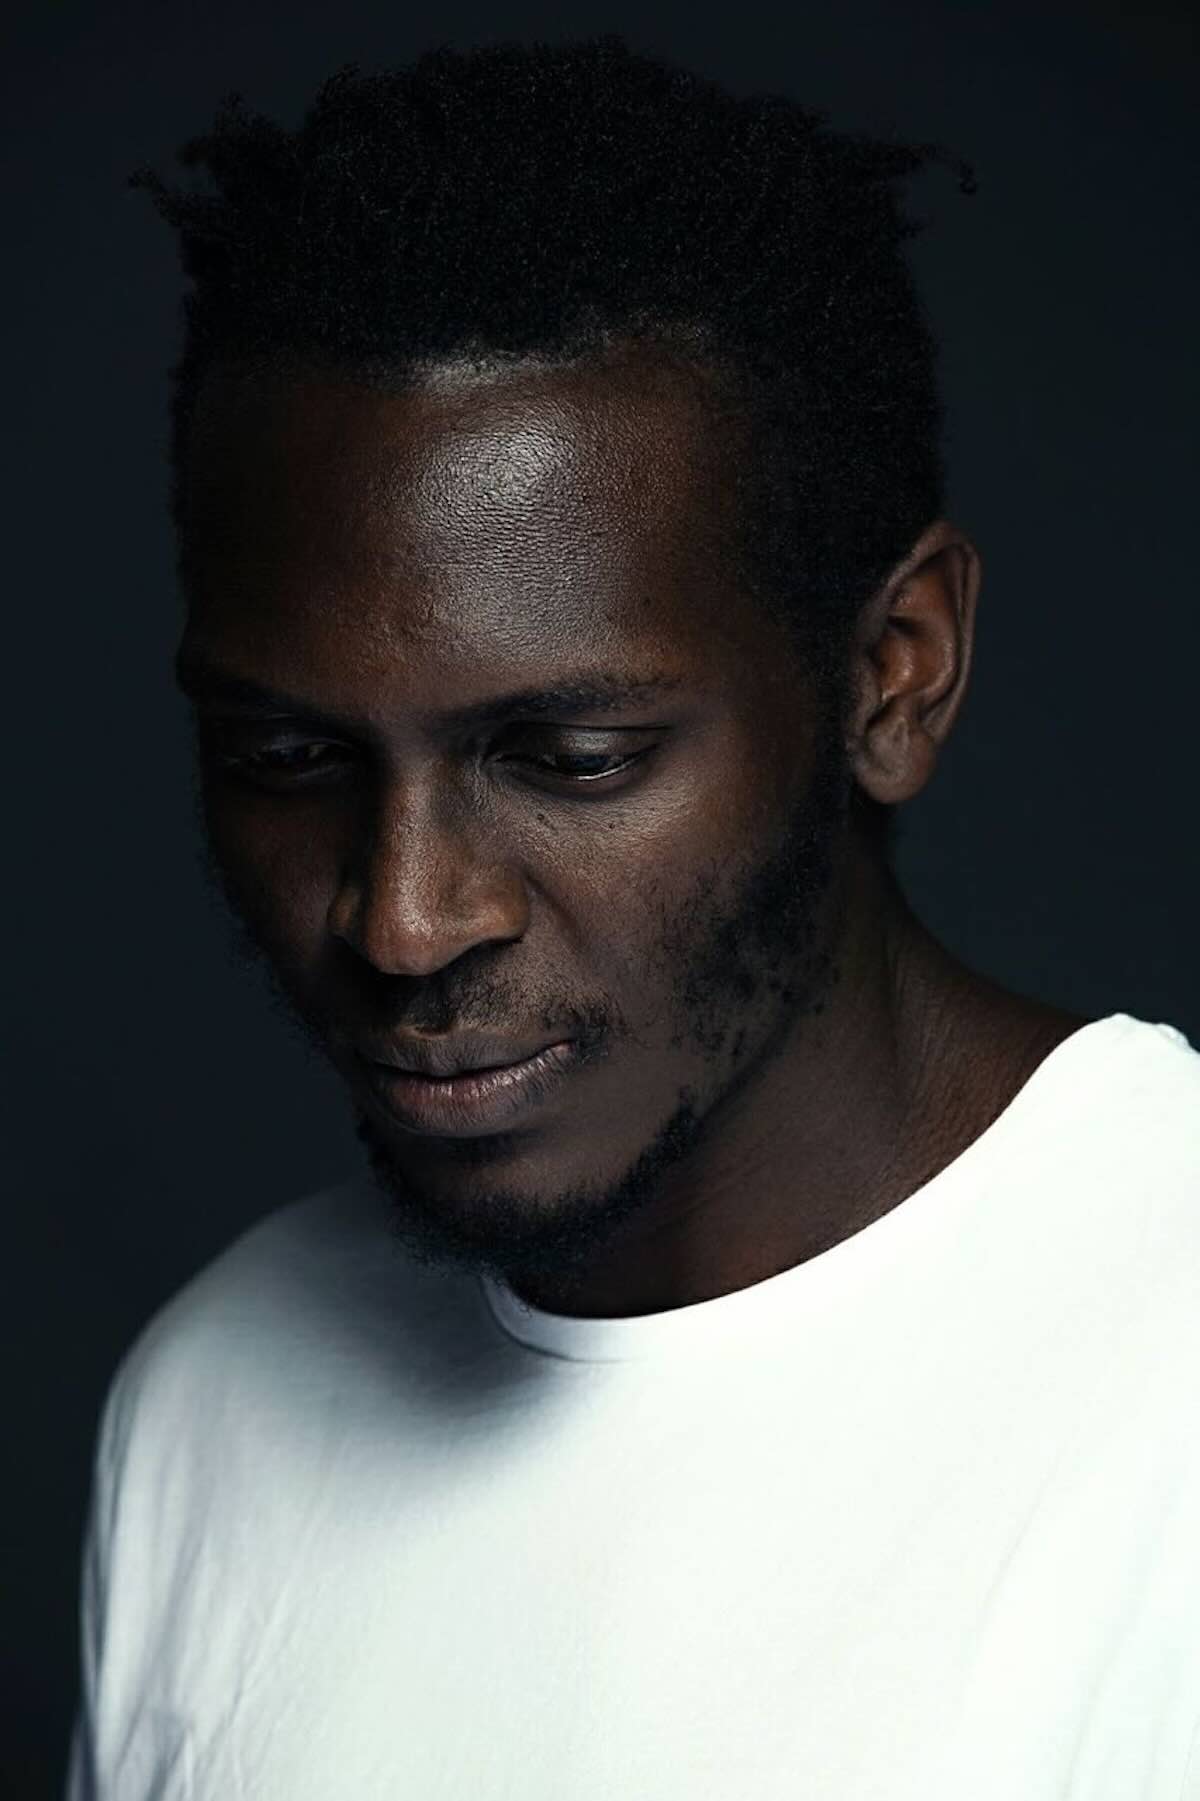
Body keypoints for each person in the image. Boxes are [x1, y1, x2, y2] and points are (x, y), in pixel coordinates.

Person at [67, 35, 1200, 1800]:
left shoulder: (1163, 1355)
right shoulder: (211, 1402)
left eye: (569, 754)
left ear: (894, 677)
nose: (408, 916)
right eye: (289, 754)